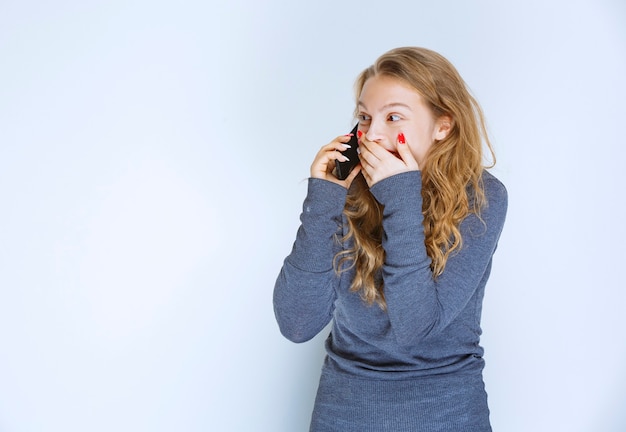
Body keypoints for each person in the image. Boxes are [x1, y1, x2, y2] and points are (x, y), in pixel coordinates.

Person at [273, 46, 507, 432]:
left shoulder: (483, 196)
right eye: (364, 117)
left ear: (443, 125)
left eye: (393, 116)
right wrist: (323, 200)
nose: (373, 134)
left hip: (446, 415)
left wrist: (402, 197)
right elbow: (296, 325)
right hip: (344, 412)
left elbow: (416, 329)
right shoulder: (346, 189)